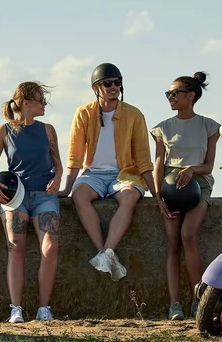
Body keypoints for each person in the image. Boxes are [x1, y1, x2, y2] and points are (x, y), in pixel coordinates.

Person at [59, 63, 156, 282]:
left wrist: (156, 190)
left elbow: (143, 157)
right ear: (96, 87)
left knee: (131, 196)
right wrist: (66, 186)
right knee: (79, 195)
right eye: (107, 83)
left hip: (125, 174)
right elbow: (75, 155)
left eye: (117, 83)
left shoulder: (134, 114)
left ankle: (106, 252)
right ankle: (104, 252)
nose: (114, 87)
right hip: (92, 174)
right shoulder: (83, 113)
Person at [0, 82, 63, 324]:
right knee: (15, 248)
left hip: (44, 196)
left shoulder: (48, 130)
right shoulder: (5, 131)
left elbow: (57, 163)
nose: (45, 105)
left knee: (50, 249)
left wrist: (58, 178)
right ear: (26, 103)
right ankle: (15, 308)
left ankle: (44, 308)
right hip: (16, 198)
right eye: (41, 100)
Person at [151, 72, 220, 321]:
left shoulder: (209, 126)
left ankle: (198, 300)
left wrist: (191, 169)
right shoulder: (163, 128)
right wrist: (158, 196)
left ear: (190, 96)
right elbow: (159, 162)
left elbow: (209, 165)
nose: (170, 97)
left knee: (188, 235)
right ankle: (174, 304)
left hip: (199, 182)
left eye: (174, 93)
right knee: (172, 244)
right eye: (167, 93)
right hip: (171, 185)